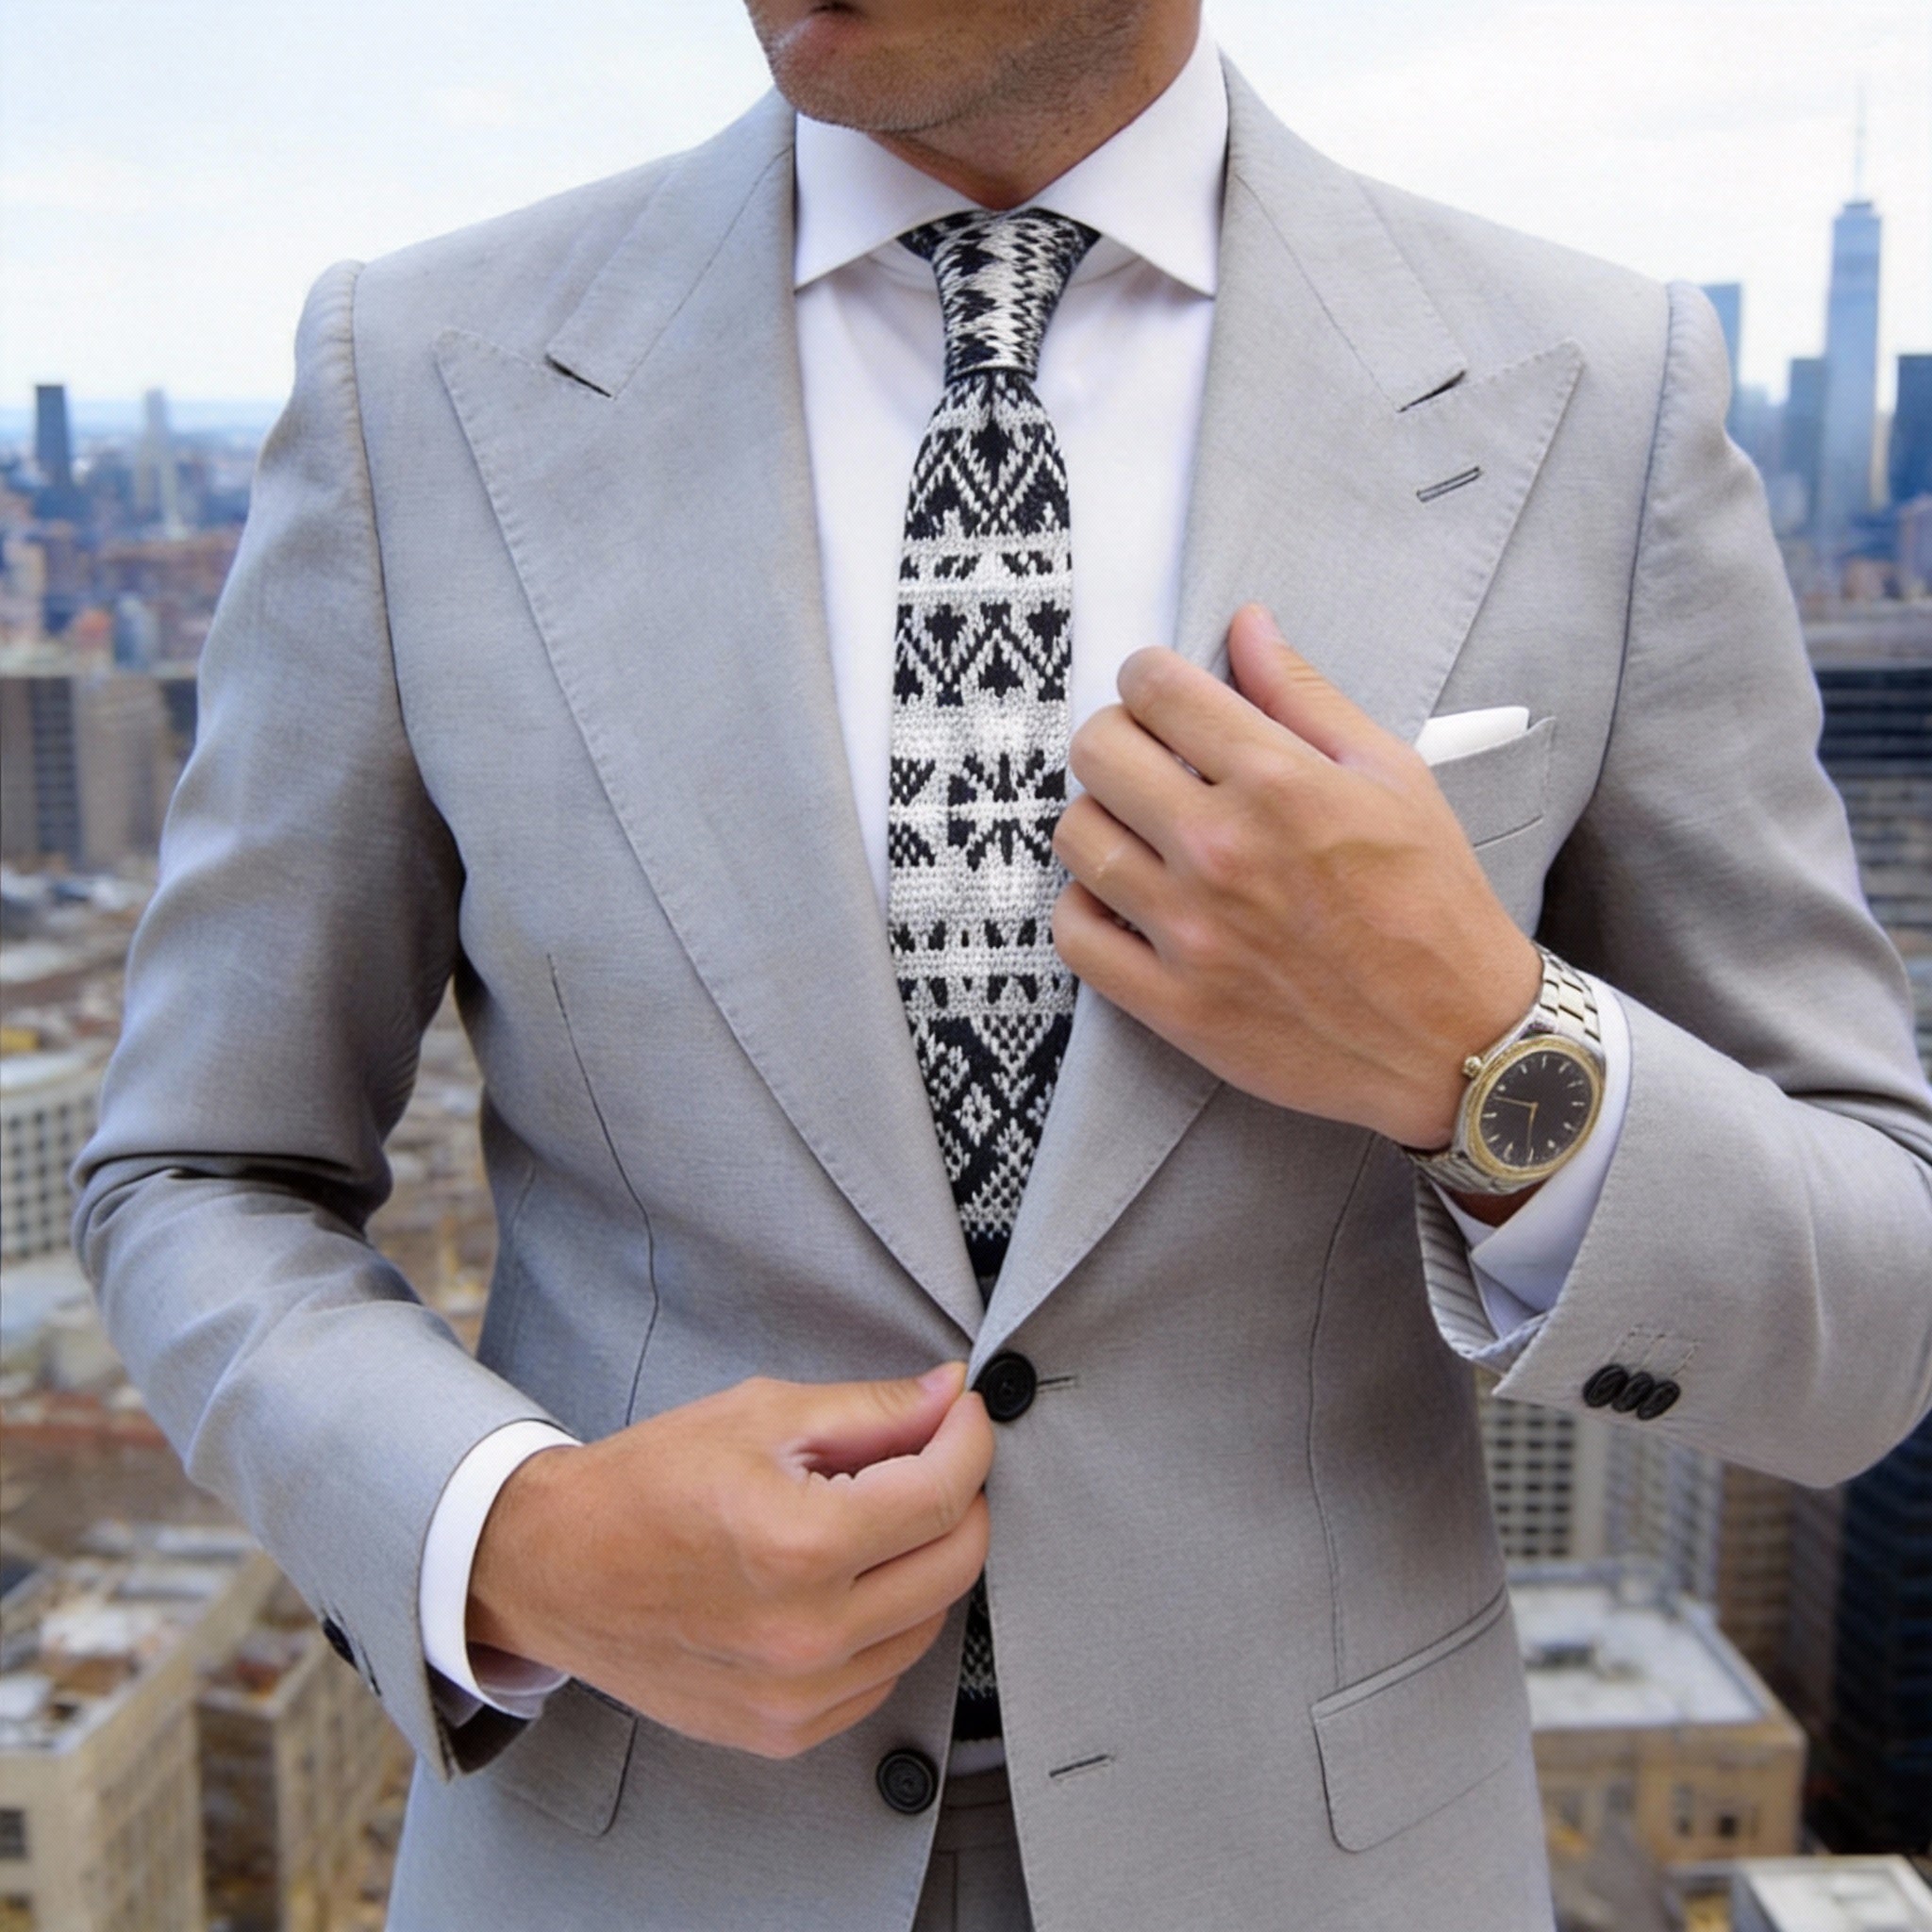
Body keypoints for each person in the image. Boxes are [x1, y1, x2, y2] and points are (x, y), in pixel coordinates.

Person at [75, 1, 1932, 1927]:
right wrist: (517, 1540)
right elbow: (199, 1171)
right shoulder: (417, 378)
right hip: (635, 1849)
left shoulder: (1595, 393)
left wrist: (1481, 1049)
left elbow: (1877, 1306)